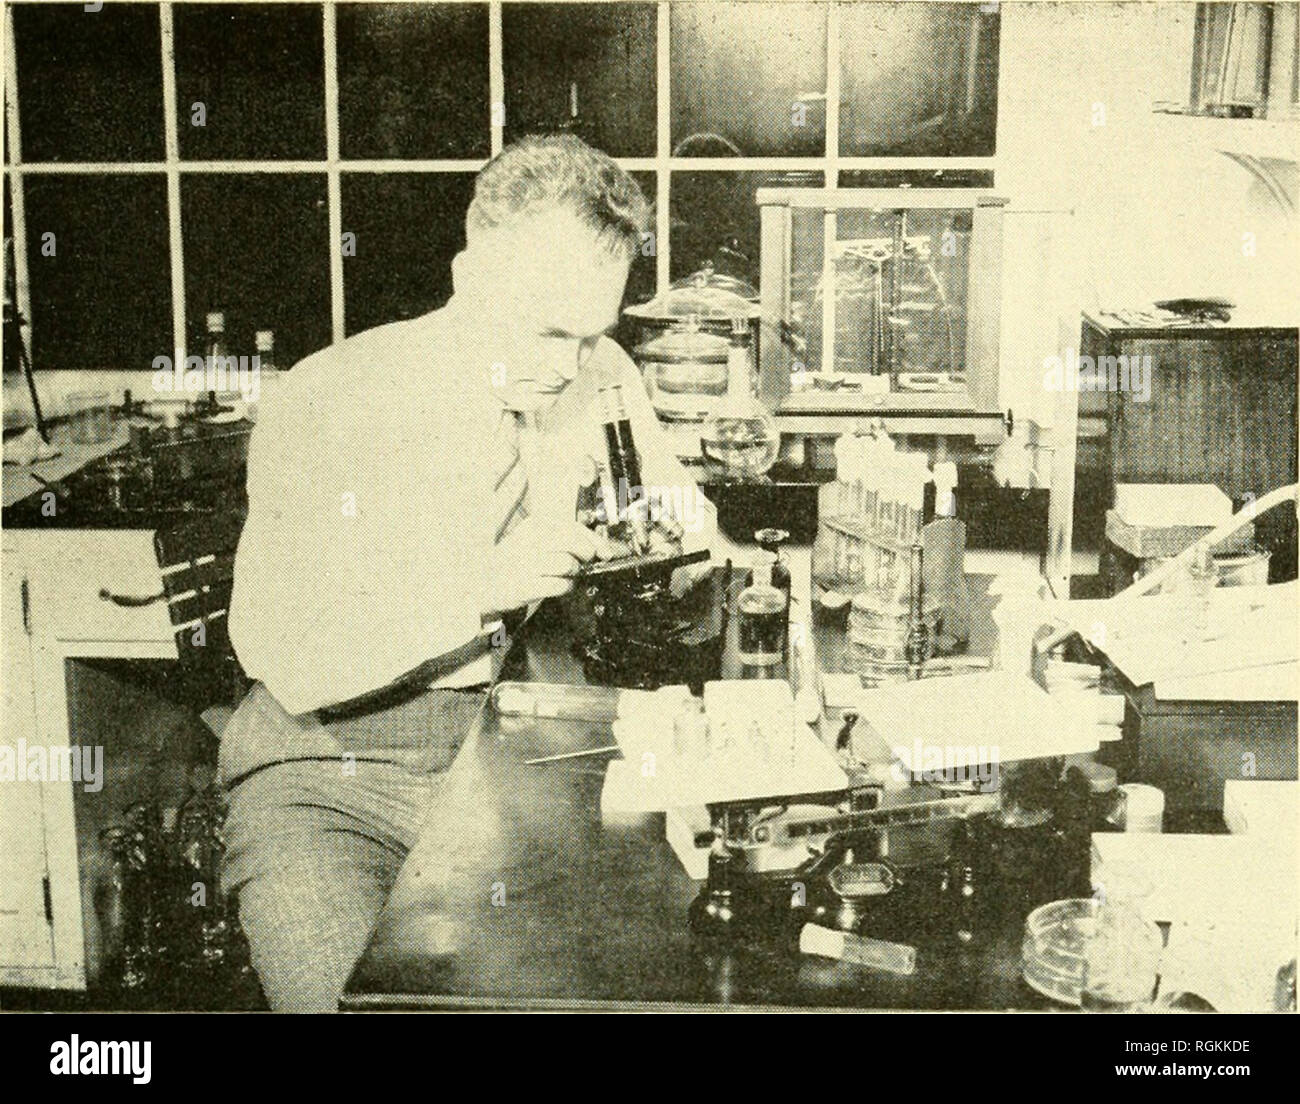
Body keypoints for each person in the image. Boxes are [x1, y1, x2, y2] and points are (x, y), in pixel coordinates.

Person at [221, 134, 717, 1011]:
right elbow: (285, 653)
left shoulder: (595, 369)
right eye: (547, 331)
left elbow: (683, 518)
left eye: (591, 333)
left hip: (522, 757)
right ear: (469, 277)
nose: (568, 364)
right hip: (333, 776)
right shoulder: (329, 396)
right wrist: (484, 583)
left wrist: (675, 544)